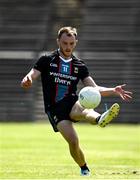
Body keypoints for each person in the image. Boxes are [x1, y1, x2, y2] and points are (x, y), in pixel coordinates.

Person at [21, 26, 132, 176]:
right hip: (54, 109)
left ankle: (100, 118)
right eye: (65, 43)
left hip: (72, 102)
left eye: (71, 43)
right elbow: (32, 75)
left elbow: (94, 88)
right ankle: (84, 167)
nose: (68, 47)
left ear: (76, 43)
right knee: (73, 141)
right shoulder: (47, 60)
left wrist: (113, 90)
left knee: (84, 109)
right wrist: (26, 80)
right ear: (58, 41)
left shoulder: (79, 65)